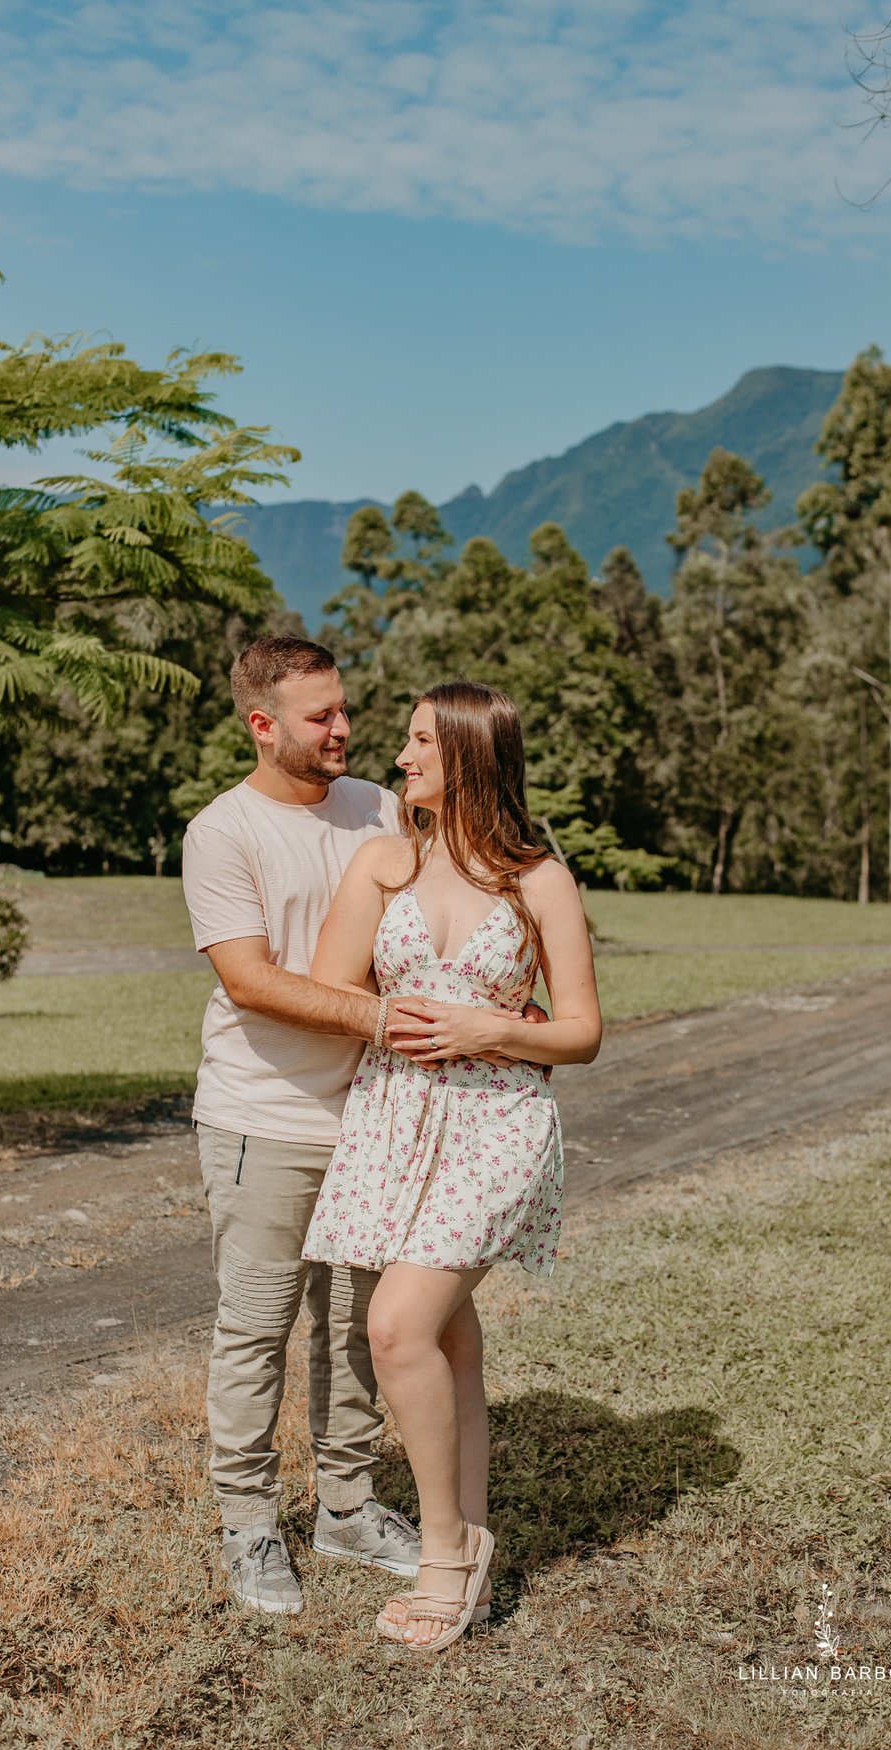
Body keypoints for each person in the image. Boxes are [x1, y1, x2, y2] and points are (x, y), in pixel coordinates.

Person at [302, 681, 602, 1652]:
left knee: (396, 1327)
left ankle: (443, 1556)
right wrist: (392, 1021)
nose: (400, 756)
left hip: (496, 1124)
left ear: (471, 753)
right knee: (447, 1339)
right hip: (396, 1120)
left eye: (421, 741)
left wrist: (486, 1028)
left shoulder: (538, 880)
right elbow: (330, 993)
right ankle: (472, 1541)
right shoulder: (382, 866)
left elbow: (583, 1034)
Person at [181, 635, 423, 1615]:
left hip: (373, 1116)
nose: (343, 729)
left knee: (359, 1329)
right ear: (261, 723)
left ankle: (347, 1507)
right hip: (262, 1119)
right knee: (256, 1331)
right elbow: (249, 980)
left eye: (343, 709)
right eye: (320, 715)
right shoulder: (223, 832)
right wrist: (382, 1018)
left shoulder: (379, 807)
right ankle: (248, 1528)